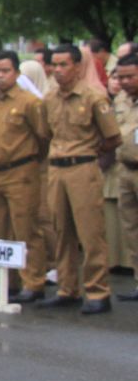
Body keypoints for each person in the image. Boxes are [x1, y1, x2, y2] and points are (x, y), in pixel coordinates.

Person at [40, 44, 120, 313]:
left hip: (83, 167)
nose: (58, 70)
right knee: (61, 231)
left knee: (90, 232)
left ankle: (98, 292)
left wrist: (91, 153)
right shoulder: (49, 99)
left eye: (64, 65)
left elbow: (113, 137)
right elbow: (45, 133)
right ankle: (67, 288)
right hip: (57, 169)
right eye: (54, 65)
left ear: (77, 66)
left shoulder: (93, 97)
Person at [0, 51, 51, 302]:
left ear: (17, 73)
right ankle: (7, 280)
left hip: (21, 172)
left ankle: (33, 282)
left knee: (26, 229)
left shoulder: (30, 102)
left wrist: (28, 162)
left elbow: (43, 138)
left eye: (5, 71)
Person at [112, 53, 138, 302]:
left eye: (131, 76)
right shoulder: (121, 100)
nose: (125, 81)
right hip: (126, 170)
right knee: (131, 228)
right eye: (121, 77)